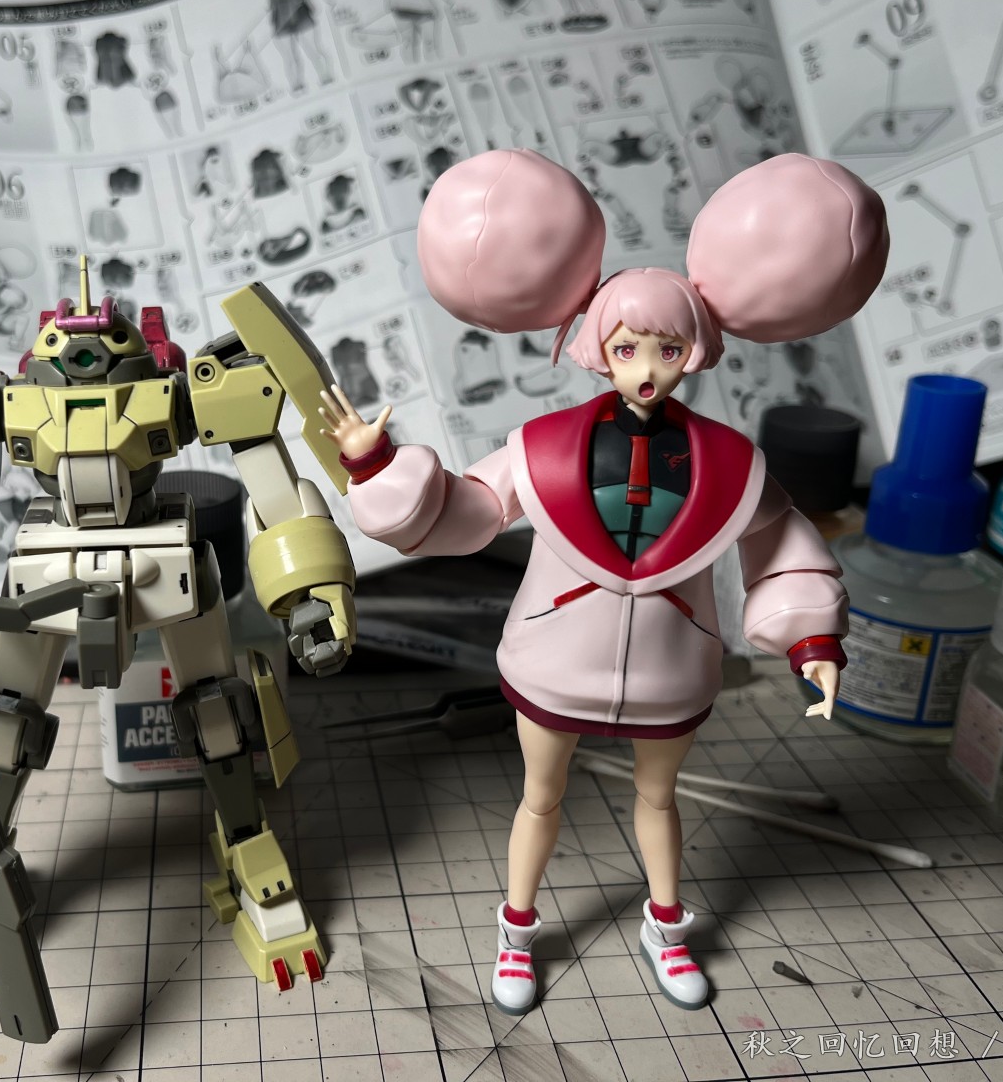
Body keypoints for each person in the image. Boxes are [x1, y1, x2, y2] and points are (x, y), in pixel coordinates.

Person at [320, 148, 887, 1014]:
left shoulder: (730, 464)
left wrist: (812, 635)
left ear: (694, 351)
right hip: (555, 657)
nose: (646, 367)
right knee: (539, 801)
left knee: (659, 801)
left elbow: (778, 542)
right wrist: (379, 467)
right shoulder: (542, 447)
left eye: (666, 347)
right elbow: (468, 514)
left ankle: (667, 927)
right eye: (627, 347)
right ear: (597, 349)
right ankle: (517, 933)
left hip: (671, 666)